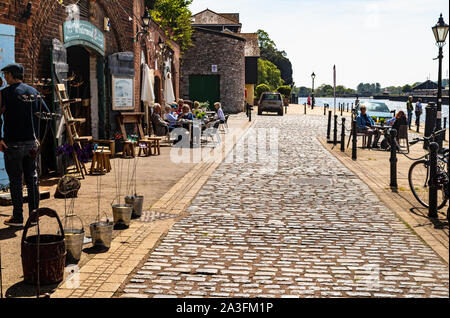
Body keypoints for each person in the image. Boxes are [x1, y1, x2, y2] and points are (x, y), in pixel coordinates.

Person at [0, 63, 49, 227]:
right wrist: (38, 137)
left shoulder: (5, 94)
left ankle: (18, 217)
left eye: (6, 74)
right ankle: (34, 216)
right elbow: (46, 114)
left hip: (12, 144)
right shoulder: (33, 92)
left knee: (15, 181)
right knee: (32, 179)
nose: (5, 77)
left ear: (12, 75)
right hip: (31, 144)